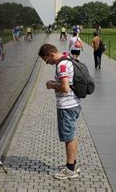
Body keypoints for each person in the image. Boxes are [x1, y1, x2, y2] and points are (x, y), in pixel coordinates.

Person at [38, 44, 81, 180]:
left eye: (46, 60)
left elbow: (65, 88)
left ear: (51, 54)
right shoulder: (67, 58)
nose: (47, 63)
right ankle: (72, 164)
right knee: (71, 135)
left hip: (67, 106)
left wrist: (52, 85)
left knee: (68, 136)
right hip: (74, 104)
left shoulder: (61, 66)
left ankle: (70, 170)